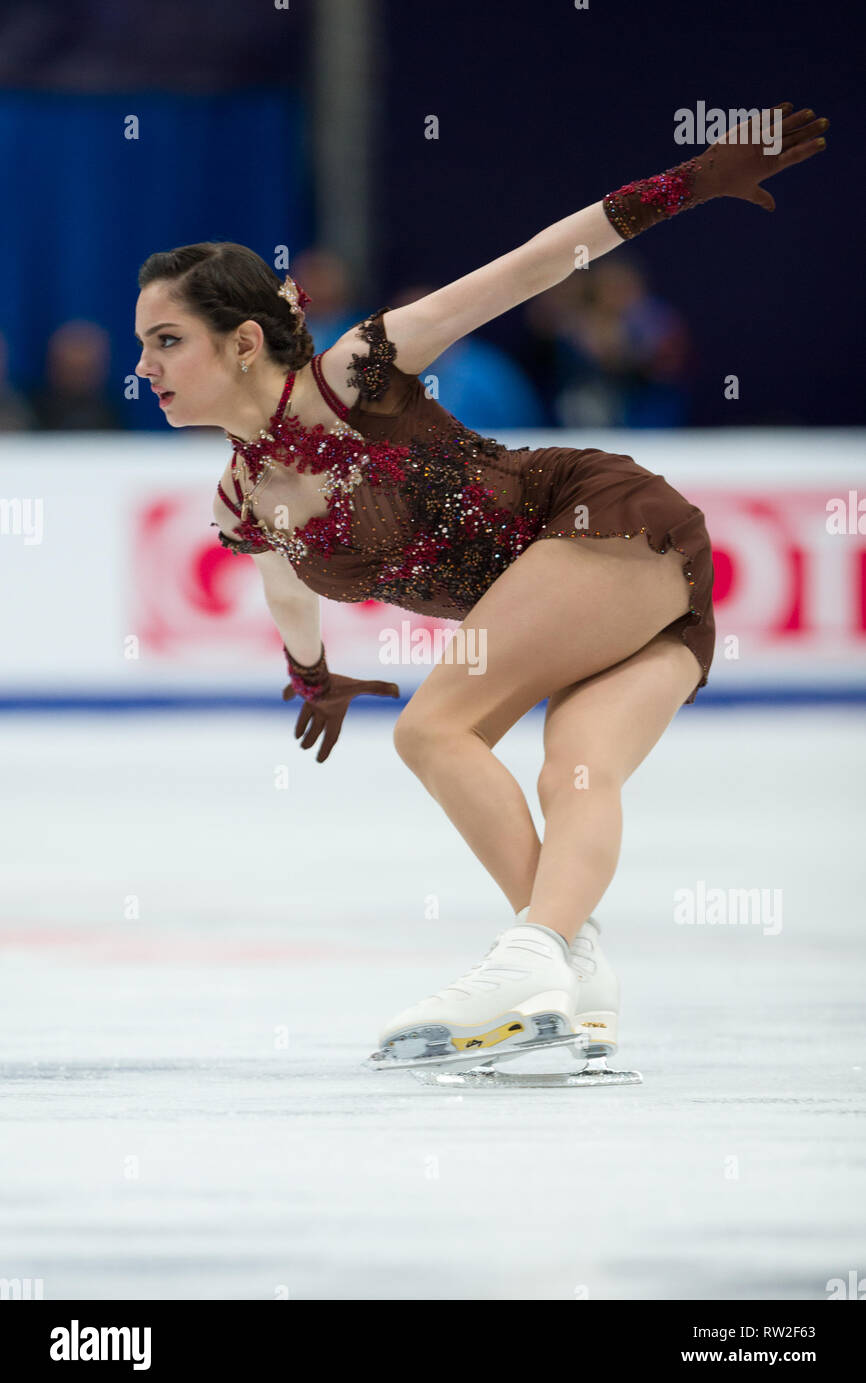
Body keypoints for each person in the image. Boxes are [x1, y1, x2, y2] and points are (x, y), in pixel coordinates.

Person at [134, 102, 826, 1070]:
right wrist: (311, 673)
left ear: (244, 342)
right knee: (573, 768)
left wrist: (685, 186)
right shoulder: (243, 498)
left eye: (166, 342)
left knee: (432, 727)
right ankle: (569, 969)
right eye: (143, 347)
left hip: (600, 522)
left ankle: (528, 958)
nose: (143, 367)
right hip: (620, 596)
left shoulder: (355, 372)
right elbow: (285, 588)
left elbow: (532, 263)